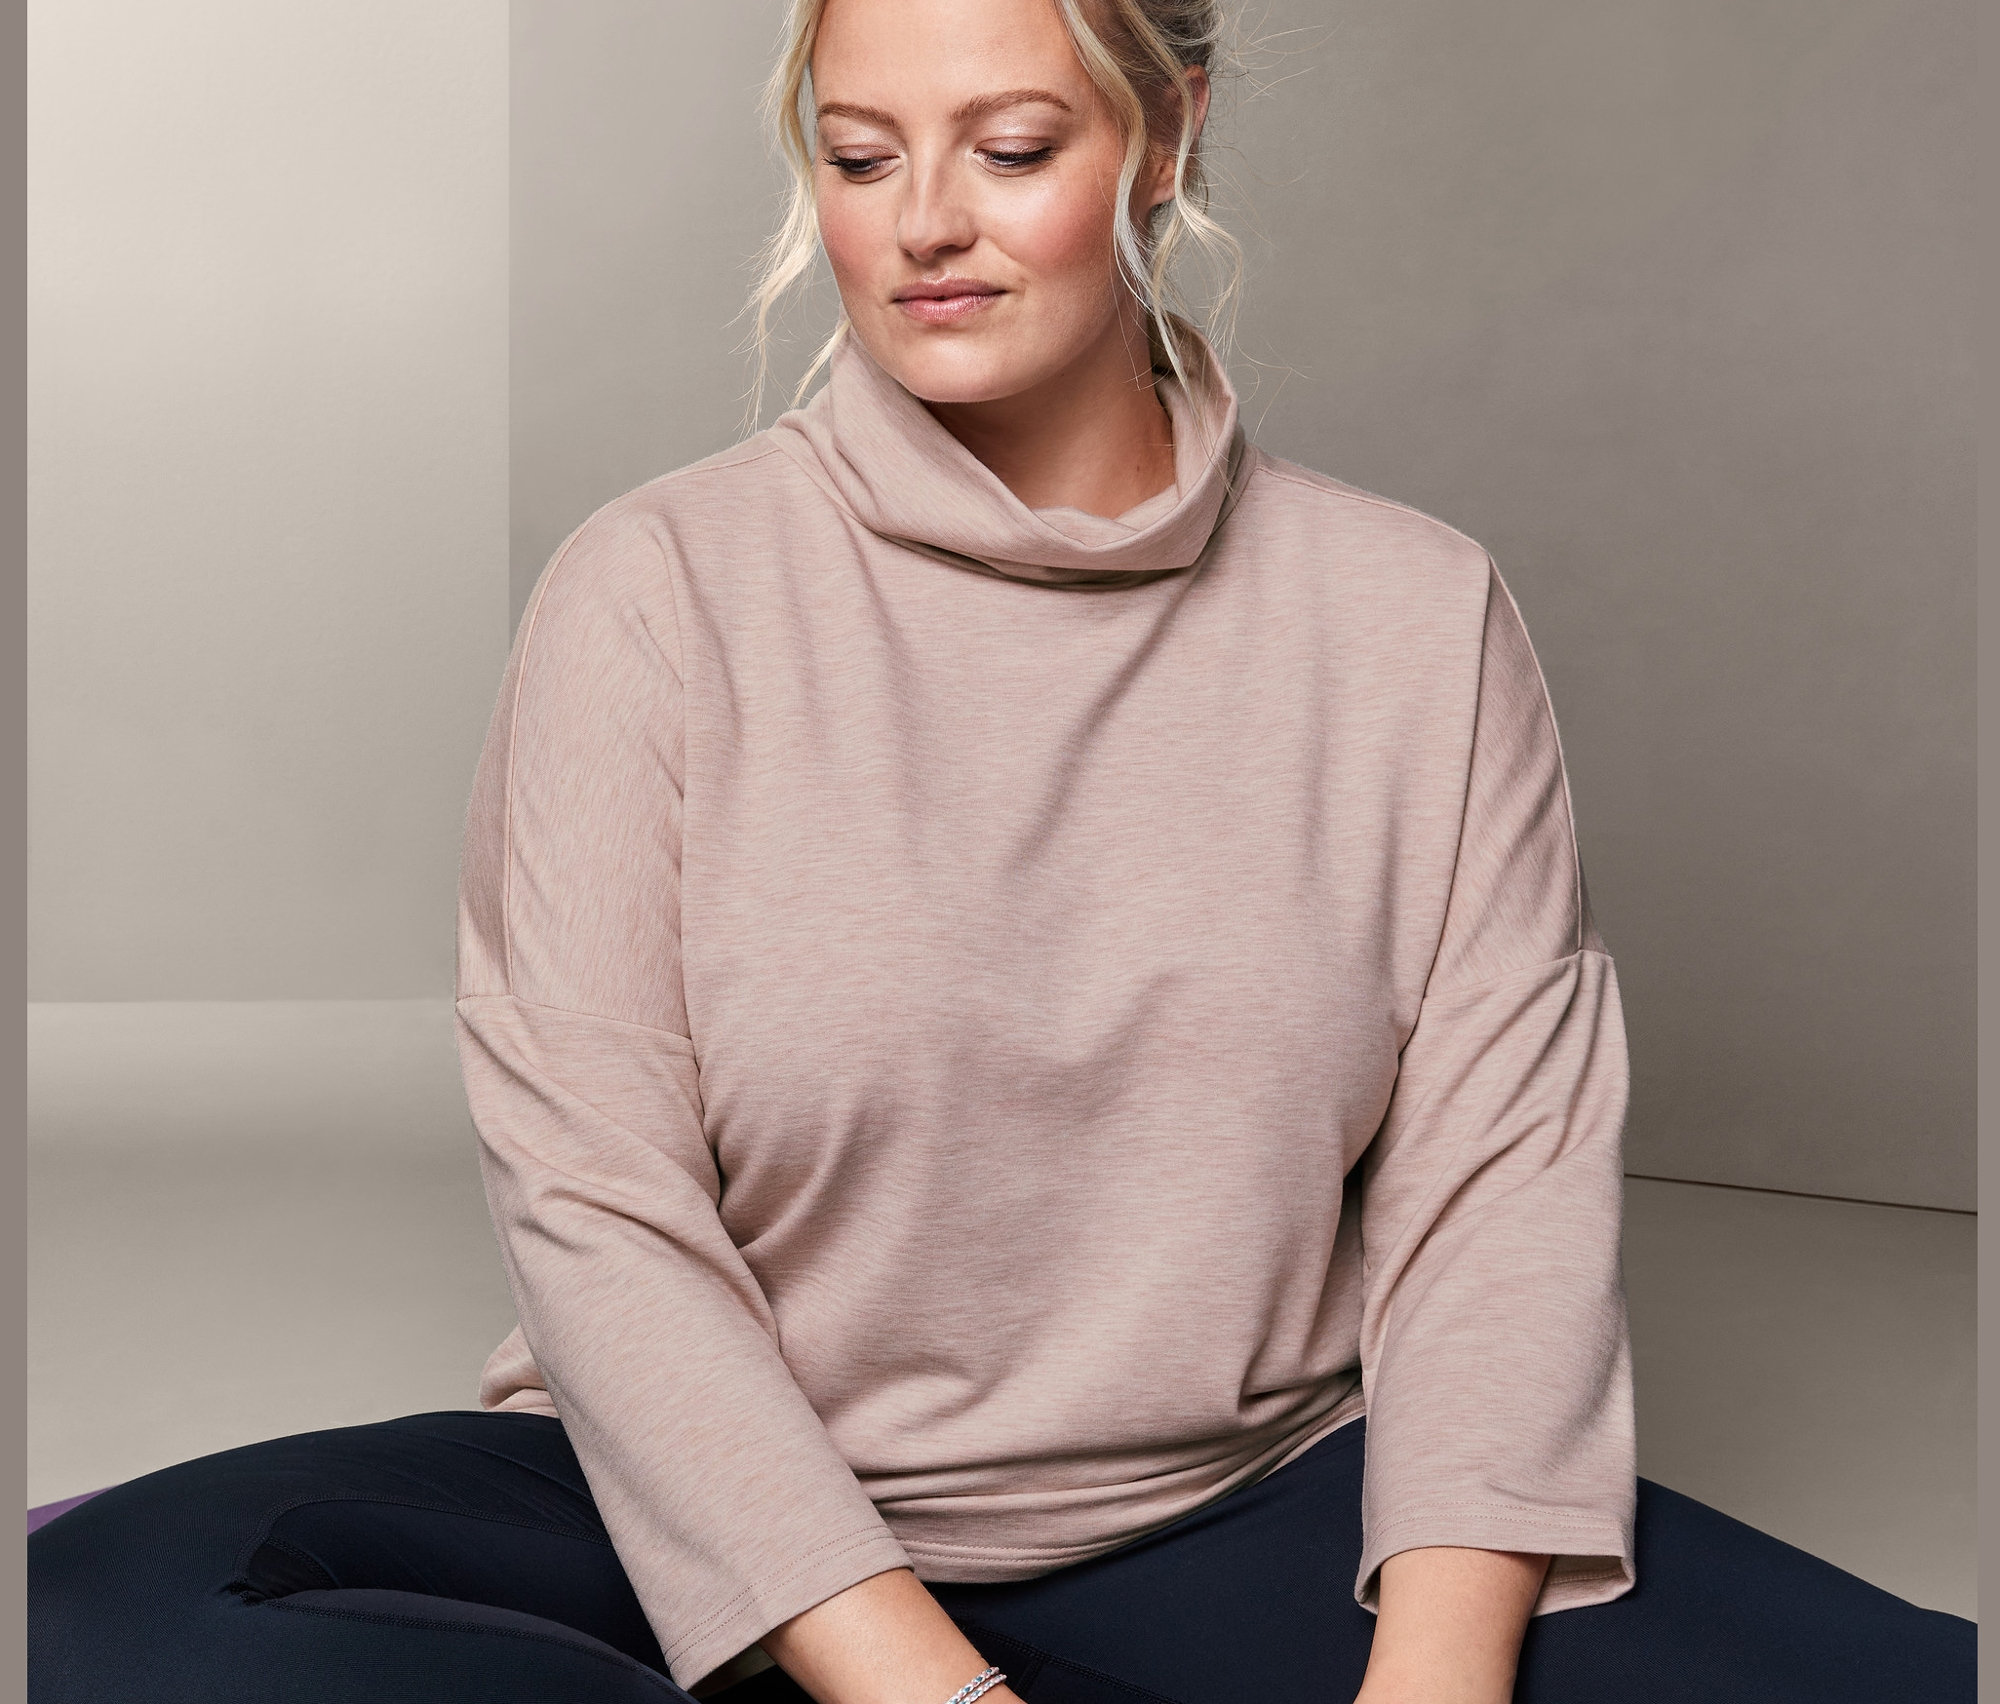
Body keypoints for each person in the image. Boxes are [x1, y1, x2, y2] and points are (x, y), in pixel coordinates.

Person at [27, 0, 1976, 1700]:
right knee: (100, 1607)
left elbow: (1500, 1206)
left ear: (1167, 131)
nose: (924, 224)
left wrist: (1433, 1681)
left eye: (1012, 147)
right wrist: (922, 1691)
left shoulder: (1411, 618)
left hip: (1244, 1510)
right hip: (700, 1514)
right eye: (860, 157)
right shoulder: (657, 595)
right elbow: (601, 1213)